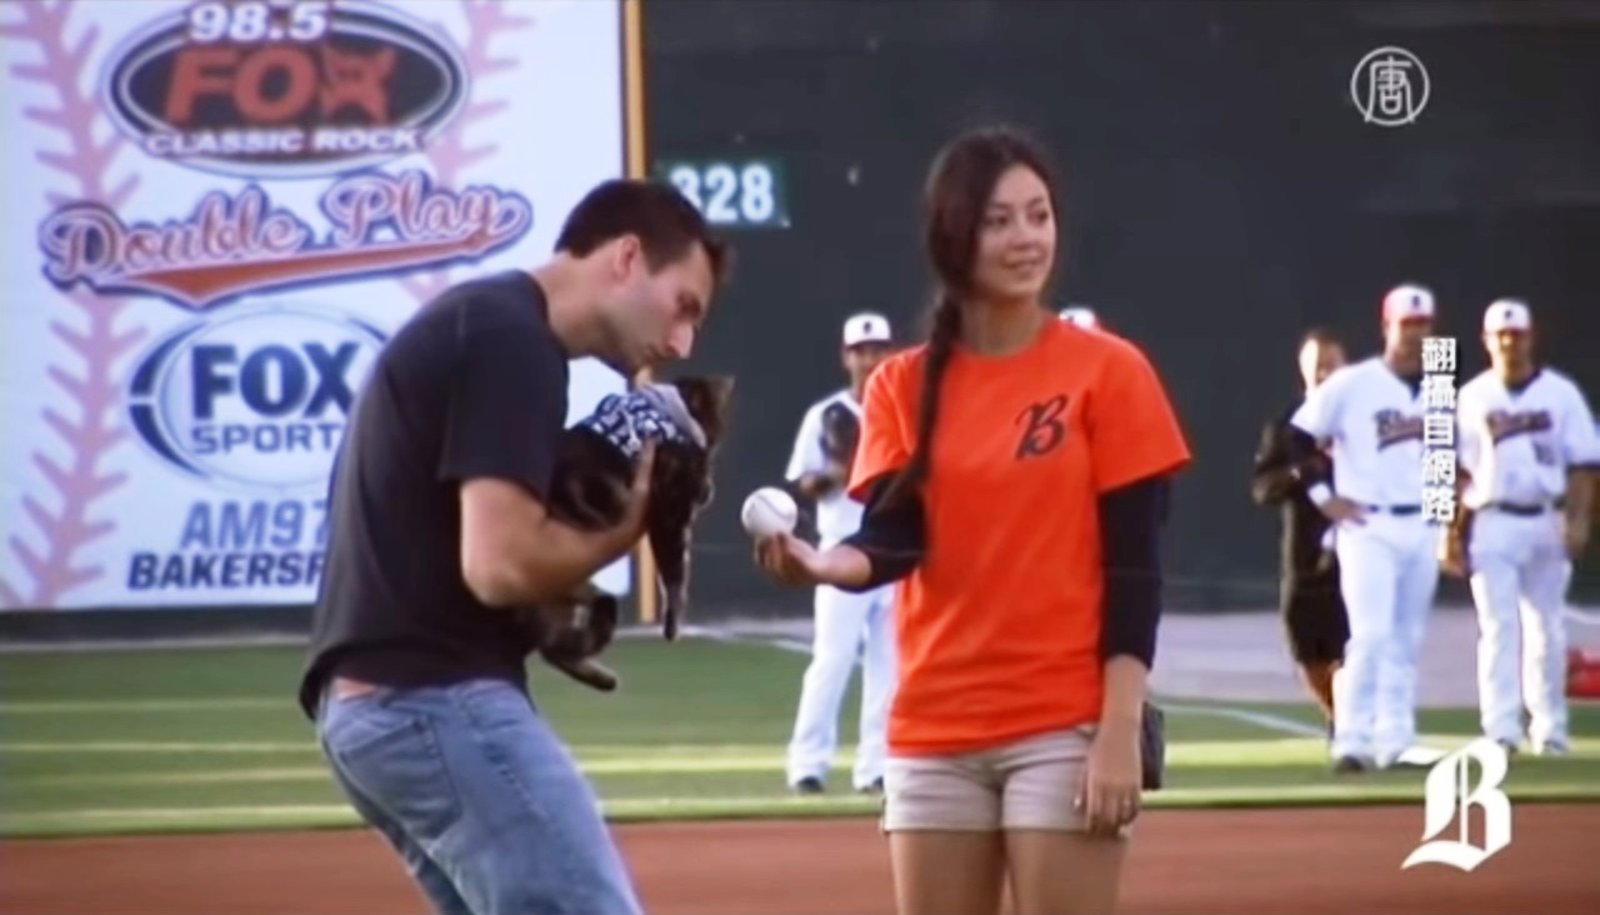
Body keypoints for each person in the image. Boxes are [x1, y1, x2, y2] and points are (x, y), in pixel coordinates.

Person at [753, 126, 1191, 915]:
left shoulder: (1110, 371)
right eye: (999, 220)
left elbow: (1136, 570)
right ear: (954, 236)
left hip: (1064, 723)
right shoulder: (900, 383)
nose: (1027, 238)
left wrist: (1120, 728)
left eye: (1039, 215)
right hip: (933, 728)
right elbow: (895, 536)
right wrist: (822, 563)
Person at [296, 179, 728, 915]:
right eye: (683, 304)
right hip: (431, 699)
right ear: (627, 257)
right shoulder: (512, 340)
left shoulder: (483, 322)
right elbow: (499, 567)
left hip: (376, 708)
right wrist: (622, 530)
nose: (683, 341)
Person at [1288, 284, 1444, 773]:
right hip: (1369, 524)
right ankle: (1350, 740)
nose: (1415, 334)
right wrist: (1324, 499)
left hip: (1420, 521)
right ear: (1387, 327)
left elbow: (1441, 456)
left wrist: (1443, 524)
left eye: (1422, 325)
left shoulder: (1440, 380)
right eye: (1406, 325)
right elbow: (1297, 437)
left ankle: (1397, 740)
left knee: (1407, 638)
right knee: (1371, 635)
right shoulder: (1354, 383)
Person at [1447, 299, 1598, 756]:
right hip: (1491, 518)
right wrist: (1448, 531)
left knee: (1547, 628)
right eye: (1501, 335)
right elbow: (1453, 471)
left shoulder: (1560, 393)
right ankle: (1501, 728)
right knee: (1498, 627)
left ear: (1531, 337)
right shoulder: (1472, 397)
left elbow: (1584, 464)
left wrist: (1578, 520)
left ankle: (1550, 728)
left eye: (1517, 334)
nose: (1509, 342)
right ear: (1487, 341)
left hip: (1546, 516)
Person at [784, 312, 898, 795]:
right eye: (861, 351)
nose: (870, 359)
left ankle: (876, 768)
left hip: (894, 550)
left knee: (890, 666)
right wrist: (838, 471)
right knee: (831, 660)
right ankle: (808, 765)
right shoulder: (826, 414)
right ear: (846, 357)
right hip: (841, 548)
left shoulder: (904, 410)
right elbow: (804, 481)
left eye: (878, 350)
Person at [1250, 329, 1350, 730]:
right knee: (1307, 648)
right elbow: (1263, 488)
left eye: (1331, 365)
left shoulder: (1363, 420)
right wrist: (1300, 472)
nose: (1324, 374)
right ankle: (1338, 717)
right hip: (1305, 553)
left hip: (1360, 546)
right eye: (1317, 367)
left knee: (1356, 644)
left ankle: (1355, 723)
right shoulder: (1287, 427)